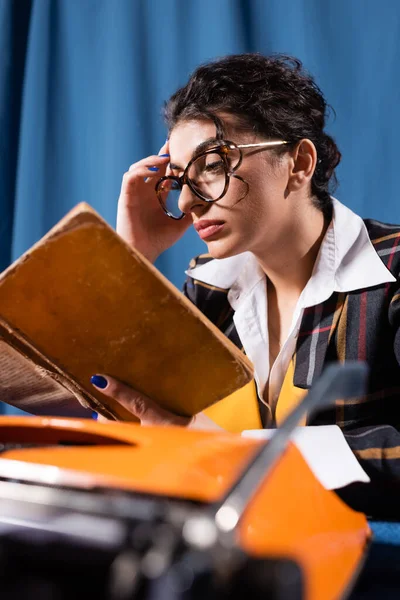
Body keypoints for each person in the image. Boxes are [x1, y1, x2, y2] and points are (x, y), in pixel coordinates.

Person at [90, 53, 400, 486]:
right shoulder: (207, 291)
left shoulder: (392, 274)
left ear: (300, 164)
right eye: (179, 181)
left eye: (212, 166)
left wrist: (234, 455)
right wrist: (131, 257)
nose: (185, 202)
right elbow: (116, 408)